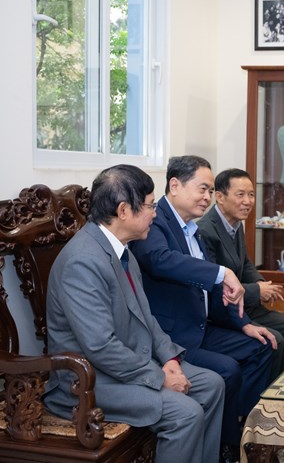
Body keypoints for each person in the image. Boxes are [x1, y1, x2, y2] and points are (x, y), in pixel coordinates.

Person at [45, 164, 225, 463]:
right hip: (89, 381)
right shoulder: (83, 262)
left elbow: (146, 317)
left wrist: (169, 359)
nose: (155, 213)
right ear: (124, 210)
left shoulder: (121, 248)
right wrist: (158, 377)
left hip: (130, 363)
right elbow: (100, 346)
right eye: (151, 205)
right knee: (185, 413)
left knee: (212, 385)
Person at [130, 155, 277, 460]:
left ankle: (243, 427)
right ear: (175, 185)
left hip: (201, 325)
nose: (208, 197)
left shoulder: (192, 228)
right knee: (227, 370)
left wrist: (244, 324)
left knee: (263, 345)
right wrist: (221, 272)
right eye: (203, 189)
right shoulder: (155, 220)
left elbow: (216, 291)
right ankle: (228, 445)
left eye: (211, 191)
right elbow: (160, 260)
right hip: (173, 335)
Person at [198, 168, 284, 380]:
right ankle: (262, 394)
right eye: (240, 195)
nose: (248, 201)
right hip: (223, 312)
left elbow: (245, 263)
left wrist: (262, 285)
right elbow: (214, 287)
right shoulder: (206, 231)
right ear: (220, 197)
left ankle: (282, 386)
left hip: (245, 304)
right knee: (274, 339)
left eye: (251, 194)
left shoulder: (235, 224)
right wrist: (257, 291)